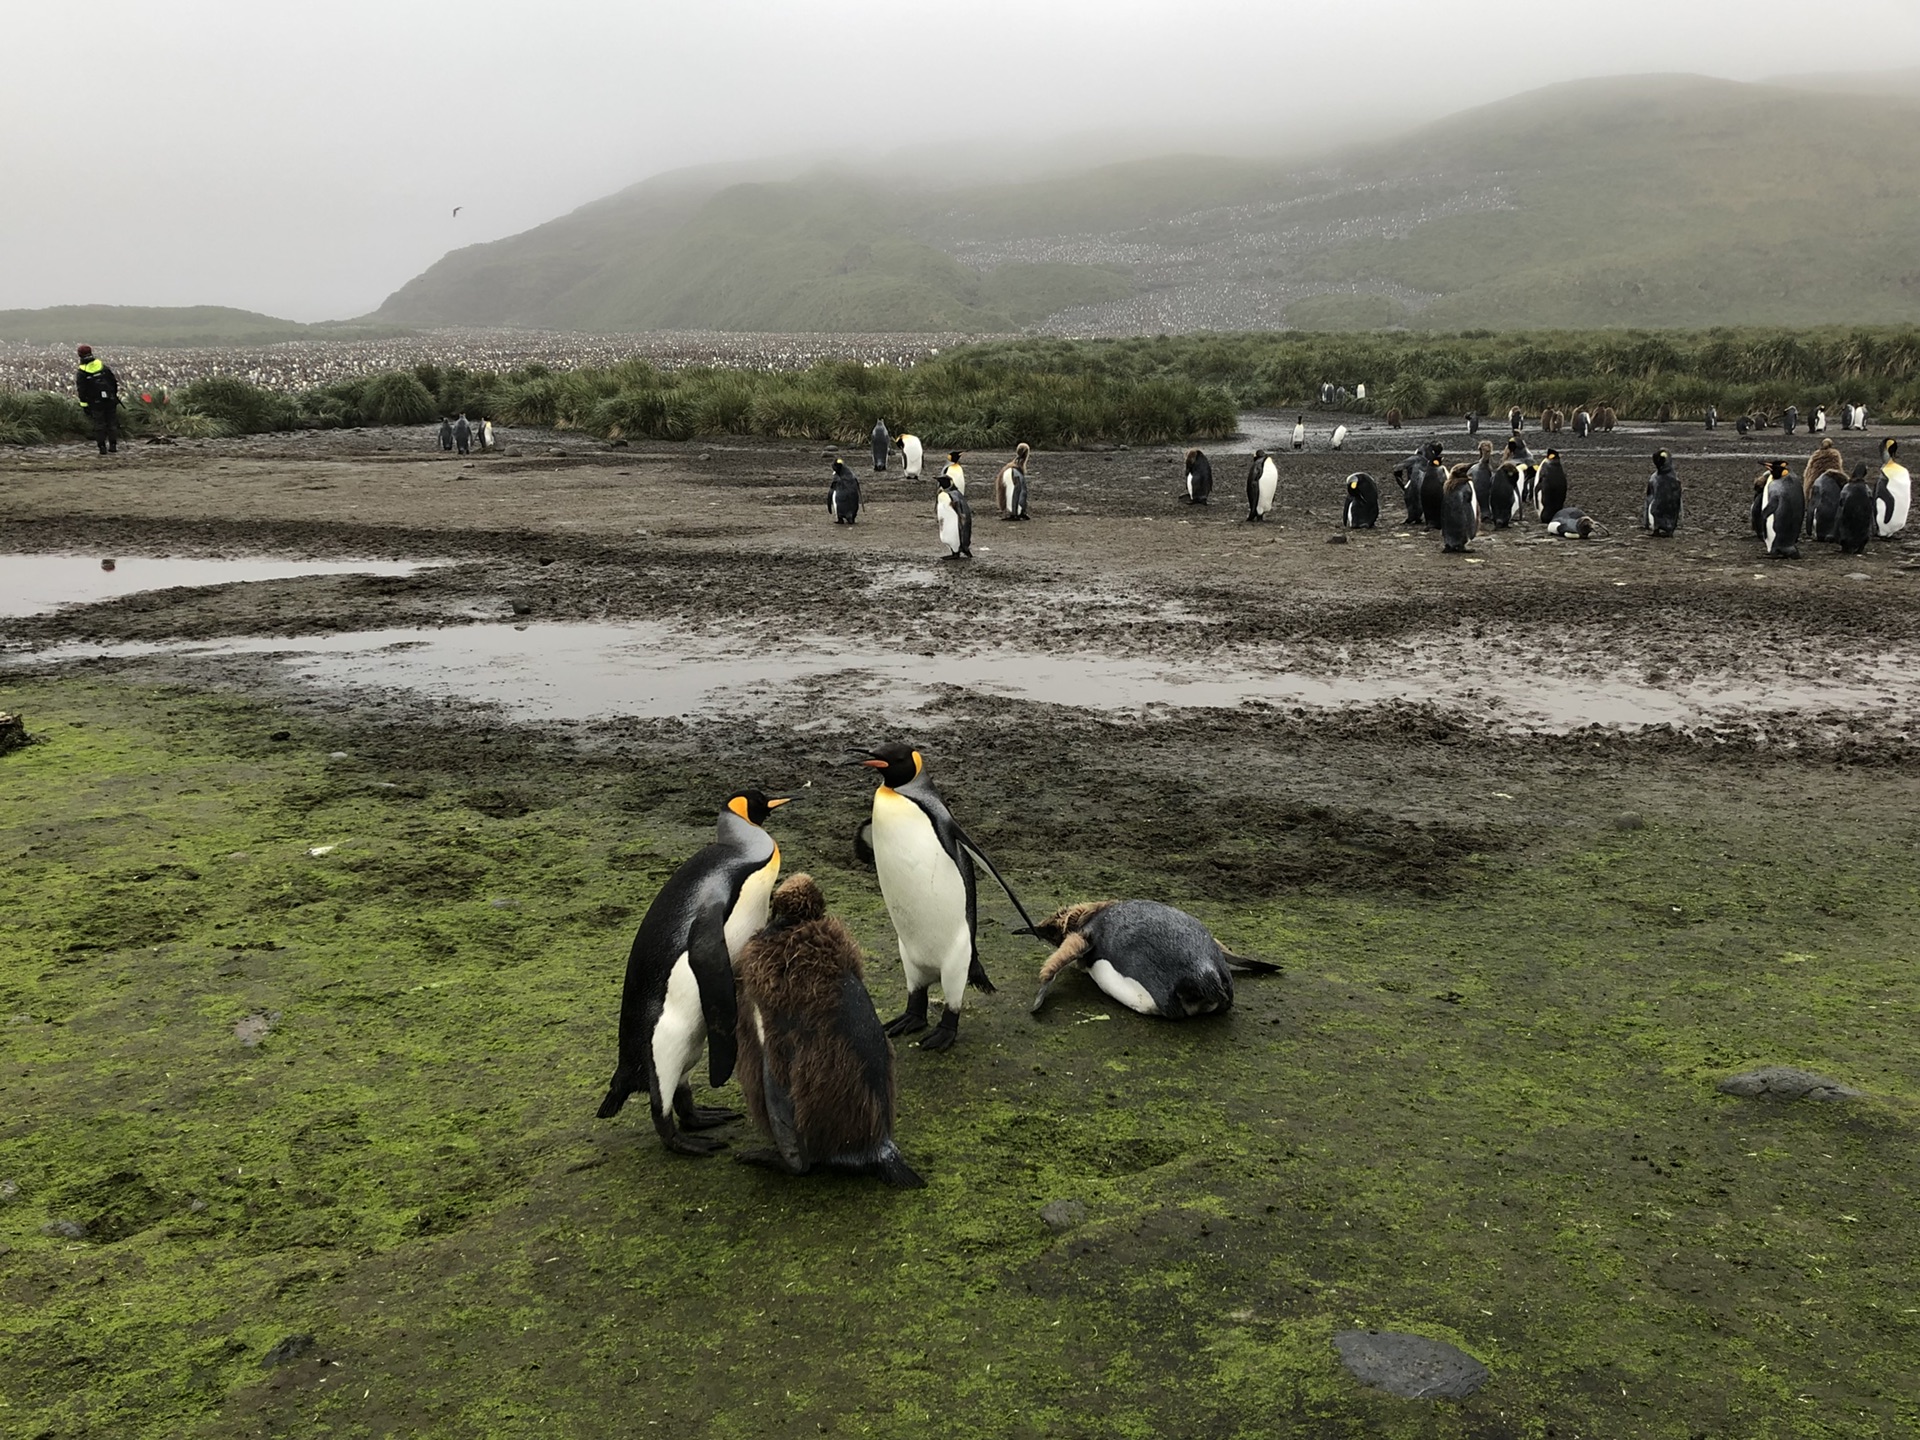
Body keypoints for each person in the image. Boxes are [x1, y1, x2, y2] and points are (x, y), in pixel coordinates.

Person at [74, 344, 121, 454]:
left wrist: (84, 405)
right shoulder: (103, 367)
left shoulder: (82, 372)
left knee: (99, 424)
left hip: (95, 402)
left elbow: (82, 390)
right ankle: (113, 446)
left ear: (79, 355)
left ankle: (102, 448)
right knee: (112, 423)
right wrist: (113, 396)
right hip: (109, 399)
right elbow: (113, 382)